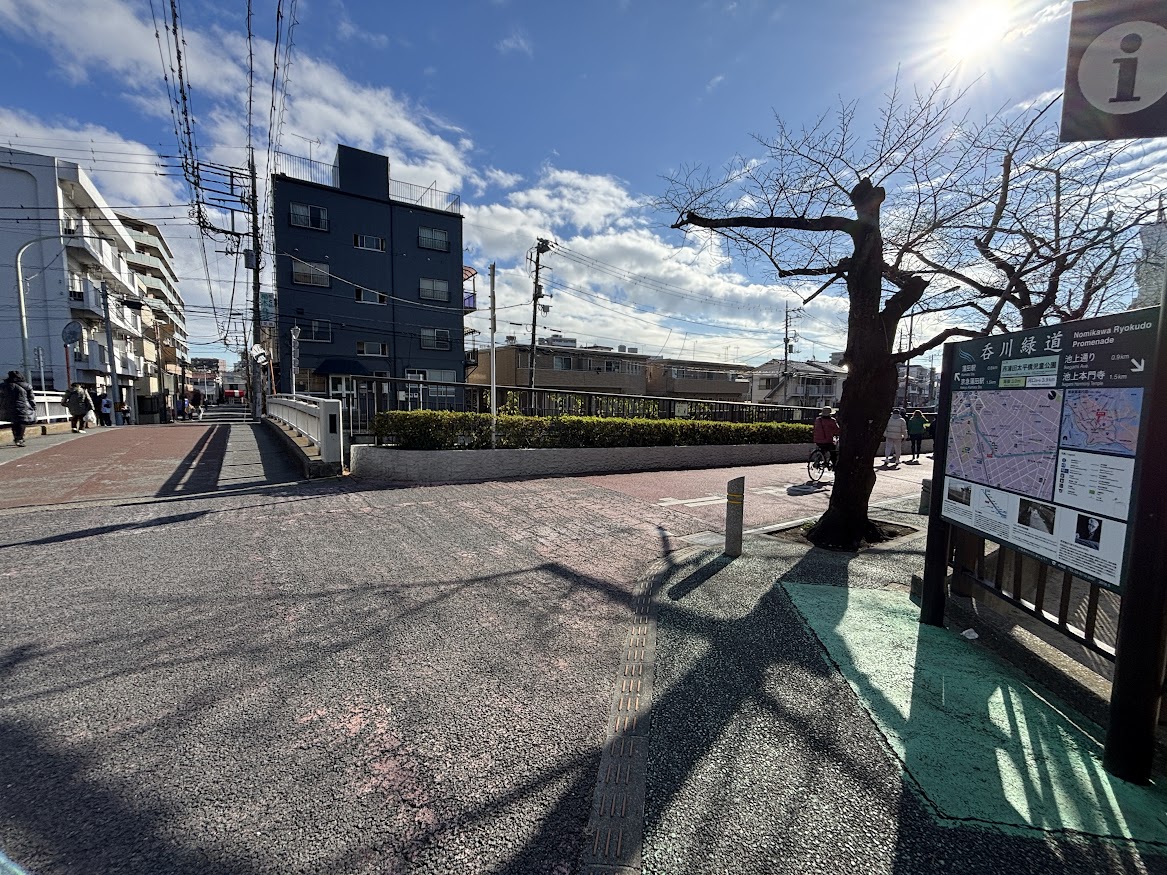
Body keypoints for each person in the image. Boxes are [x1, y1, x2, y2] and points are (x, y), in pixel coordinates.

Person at [2, 370, 37, 447]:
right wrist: (33, 406)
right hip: (23, 406)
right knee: (22, 422)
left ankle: (16, 438)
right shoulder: (26, 386)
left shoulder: (4, 386)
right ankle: (19, 438)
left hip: (8, 406)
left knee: (14, 422)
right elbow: (31, 398)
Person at [812, 404, 841, 469]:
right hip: (827, 440)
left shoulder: (817, 420)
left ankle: (818, 460)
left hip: (817, 440)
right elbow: (837, 430)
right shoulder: (832, 420)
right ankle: (834, 466)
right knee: (833, 452)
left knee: (822, 449)